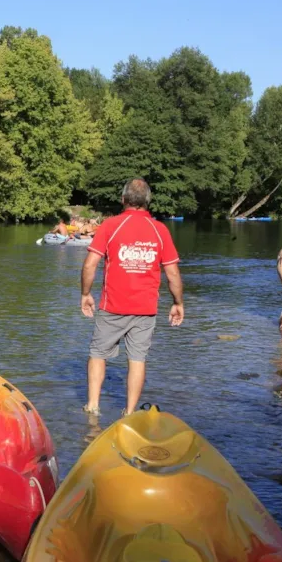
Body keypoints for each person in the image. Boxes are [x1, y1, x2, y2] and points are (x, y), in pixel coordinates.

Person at [80, 178, 183, 417]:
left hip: (112, 306)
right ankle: (129, 412)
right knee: (137, 359)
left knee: (98, 353)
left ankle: (93, 407)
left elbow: (90, 265)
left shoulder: (111, 225)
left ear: (123, 199)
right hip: (145, 309)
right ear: (148, 201)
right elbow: (173, 273)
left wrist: (85, 294)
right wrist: (178, 302)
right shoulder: (160, 230)